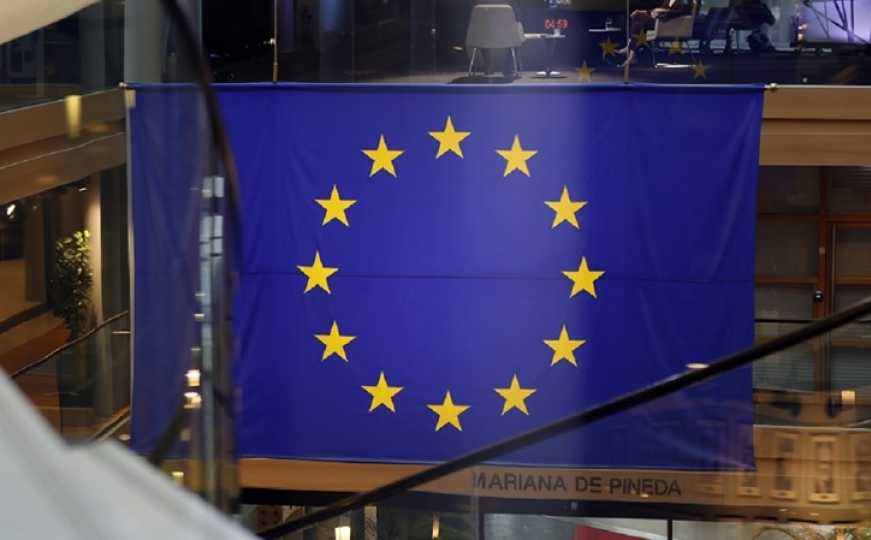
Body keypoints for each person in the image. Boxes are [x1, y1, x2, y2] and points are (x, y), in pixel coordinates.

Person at [616, 0, 695, 65]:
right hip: (660, 22)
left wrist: (664, 11)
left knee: (637, 17)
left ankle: (630, 49)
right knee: (637, 18)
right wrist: (646, 11)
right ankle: (631, 54)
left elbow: (683, 11)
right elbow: (658, 10)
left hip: (668, 25)